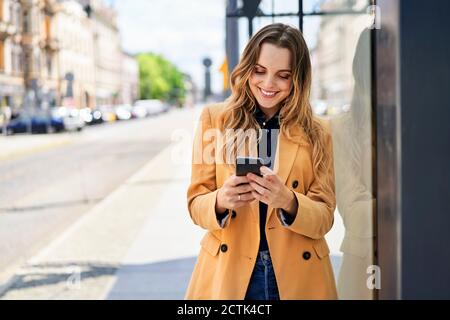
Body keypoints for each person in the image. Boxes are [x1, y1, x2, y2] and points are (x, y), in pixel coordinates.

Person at [185, 23, 337, 300]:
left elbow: (325, 217)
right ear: (247, 69)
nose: (268, 84)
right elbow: (196, 204)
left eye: (283, 75)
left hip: (298, 274)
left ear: (297, 80)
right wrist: (221, 200)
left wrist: (288, 201)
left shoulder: (319, 131)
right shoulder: (214, 119)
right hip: (231, 272)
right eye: (259, 71)